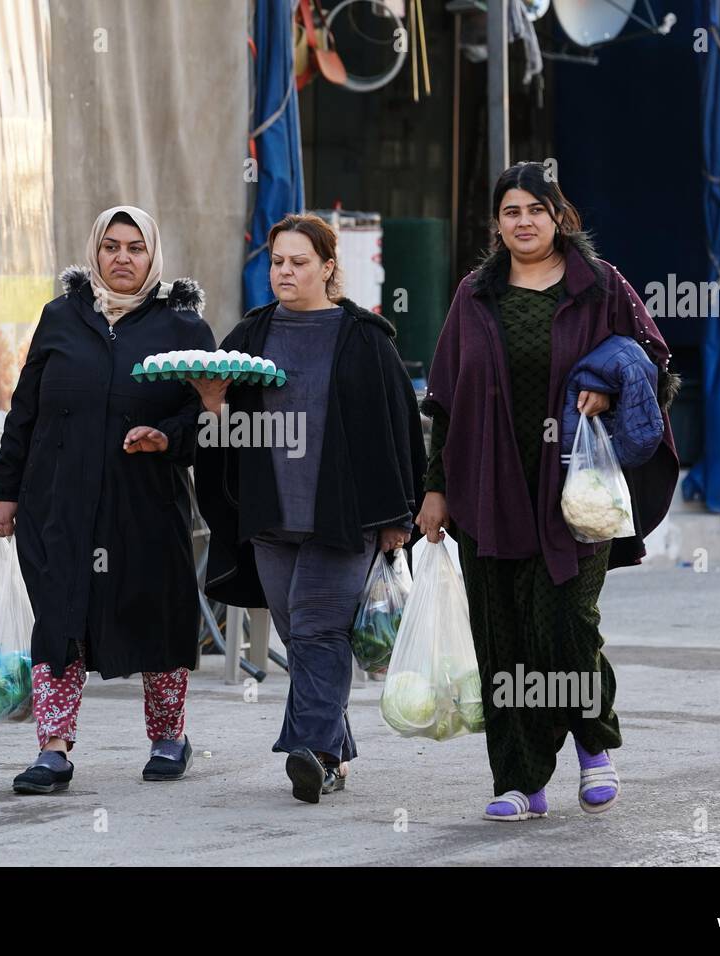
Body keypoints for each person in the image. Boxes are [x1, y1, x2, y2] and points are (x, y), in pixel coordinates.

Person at [416, 163, 680, 821]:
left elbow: (658, 372)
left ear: (560, 217)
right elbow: (445, 405)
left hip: (578, 494)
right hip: (489, 488)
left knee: (563, 625)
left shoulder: (602, 288)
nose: (525, 221)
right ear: (497, 224)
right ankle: (519, 781)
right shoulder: (473, 298)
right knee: (501, 637)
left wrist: (612, 387)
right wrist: (435, 490)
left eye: (537, 209)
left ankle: (594, 743)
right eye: (512, 211)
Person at [193, 213, 427, 804]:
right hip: (271, 519)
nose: (285, 272)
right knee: (300, 636)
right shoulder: (248, 336)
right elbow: (222, 439)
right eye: (277, 262)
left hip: (343, 517)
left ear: (328, 267)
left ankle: (314, 755)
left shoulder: (365, 338)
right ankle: (335, 750)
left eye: (299, 262)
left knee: (320, 631)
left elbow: (398, 430)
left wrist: (399, 516)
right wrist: (214, 405)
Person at [0, 205, 215, 794]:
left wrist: (168, 436)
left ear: (152, 255)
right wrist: (4, 488)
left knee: (157, 609)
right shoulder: (62, 317)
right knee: (60, 616)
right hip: (58, 501)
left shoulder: (183, 327)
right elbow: (25, 408)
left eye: (135, 248)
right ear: (95, 252)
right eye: (111, 247)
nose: (122, 258)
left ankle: (169, 736)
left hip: (146, 502)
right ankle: (53, 748)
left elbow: (207, 416)